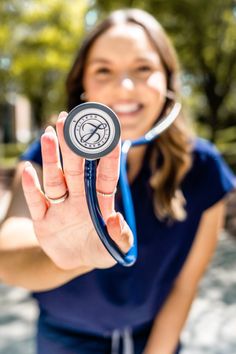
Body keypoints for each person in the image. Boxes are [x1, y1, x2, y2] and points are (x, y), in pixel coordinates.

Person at [0, 8, 235, 354]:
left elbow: (185, 287)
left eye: (143, 69)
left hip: (151, 341)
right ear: (83, 84)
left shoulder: (204, 168)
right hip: (61, 342)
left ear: (169, 82)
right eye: (103, 70)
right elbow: (6, 260)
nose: (124, 87)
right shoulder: (47, 157)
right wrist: (67, 259)